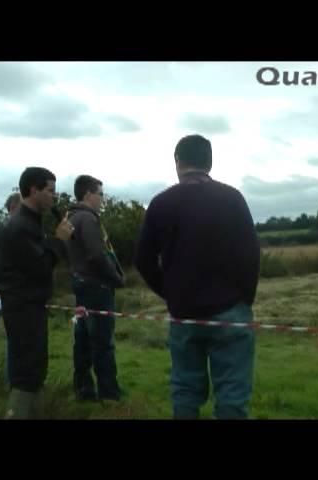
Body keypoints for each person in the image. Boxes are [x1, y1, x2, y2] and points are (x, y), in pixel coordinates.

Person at [135, 134, 260, 419]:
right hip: (230, 310)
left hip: (184, 314)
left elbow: (142, 260)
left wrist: (171, 293)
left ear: (177, 162)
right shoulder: (232, 198)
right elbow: (251, 254)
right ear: (210, 162)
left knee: (185, 391)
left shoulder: (161, 203)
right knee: (232, 394)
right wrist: (243, 299)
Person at [0, 167, 73, 419]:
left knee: (35, 369)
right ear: (33, 190)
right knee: (27, 373)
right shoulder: (20, 226)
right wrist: (60, 241)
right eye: (50, 191)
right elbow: (40, 267)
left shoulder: (31, 223)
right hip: (23, 308)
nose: (54, 197)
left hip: (31, 306)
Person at [66, 175, 125, 401]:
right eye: (100, 194)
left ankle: (83, 387)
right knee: (102, 342)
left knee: (82, 339)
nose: (102, 199)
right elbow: (97, 255)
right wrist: (116, 278)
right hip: (97, 287)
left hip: (80, 283)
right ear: (88, 194)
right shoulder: (89, 220)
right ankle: (109, 394)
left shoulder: (70, 218)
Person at [0, 192, 21, 381]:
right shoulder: (7, 231)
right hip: (7, 291)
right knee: (14, 337)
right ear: (13, 207)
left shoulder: (6, 230)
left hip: (4, 288)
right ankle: (15, 381)